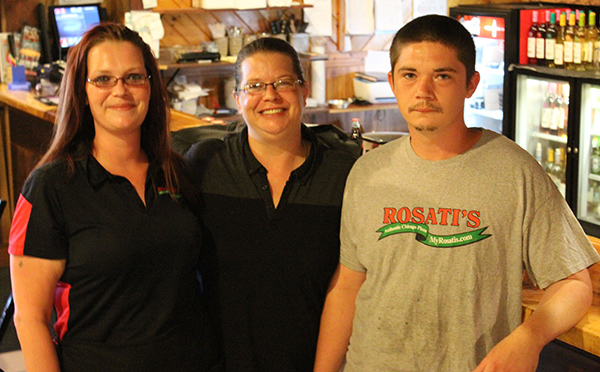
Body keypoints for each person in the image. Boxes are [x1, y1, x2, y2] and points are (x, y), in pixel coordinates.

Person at [314, 14, 600, 372]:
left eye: (443, 76)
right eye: (409, 75)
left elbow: (574, 283)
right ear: (392, 82)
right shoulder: (367, 171)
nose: (423, 91)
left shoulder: (516, 171)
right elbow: (347, 288)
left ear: (471, 84)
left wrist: (529, 337)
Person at [8, 22, 220, 372]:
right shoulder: (51, 187)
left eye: (134, 77)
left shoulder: (175, 172)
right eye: (103, 79)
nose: (120, 90)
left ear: (151, 87)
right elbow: (30, 318)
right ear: (82, 91)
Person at [184, 37, 358, 372]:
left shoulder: (343, 172)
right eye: (254, 86)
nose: (270, 95)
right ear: (238, 99)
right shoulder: (206, 166)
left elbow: (351, 284)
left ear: (303, 92)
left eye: (283, 83)